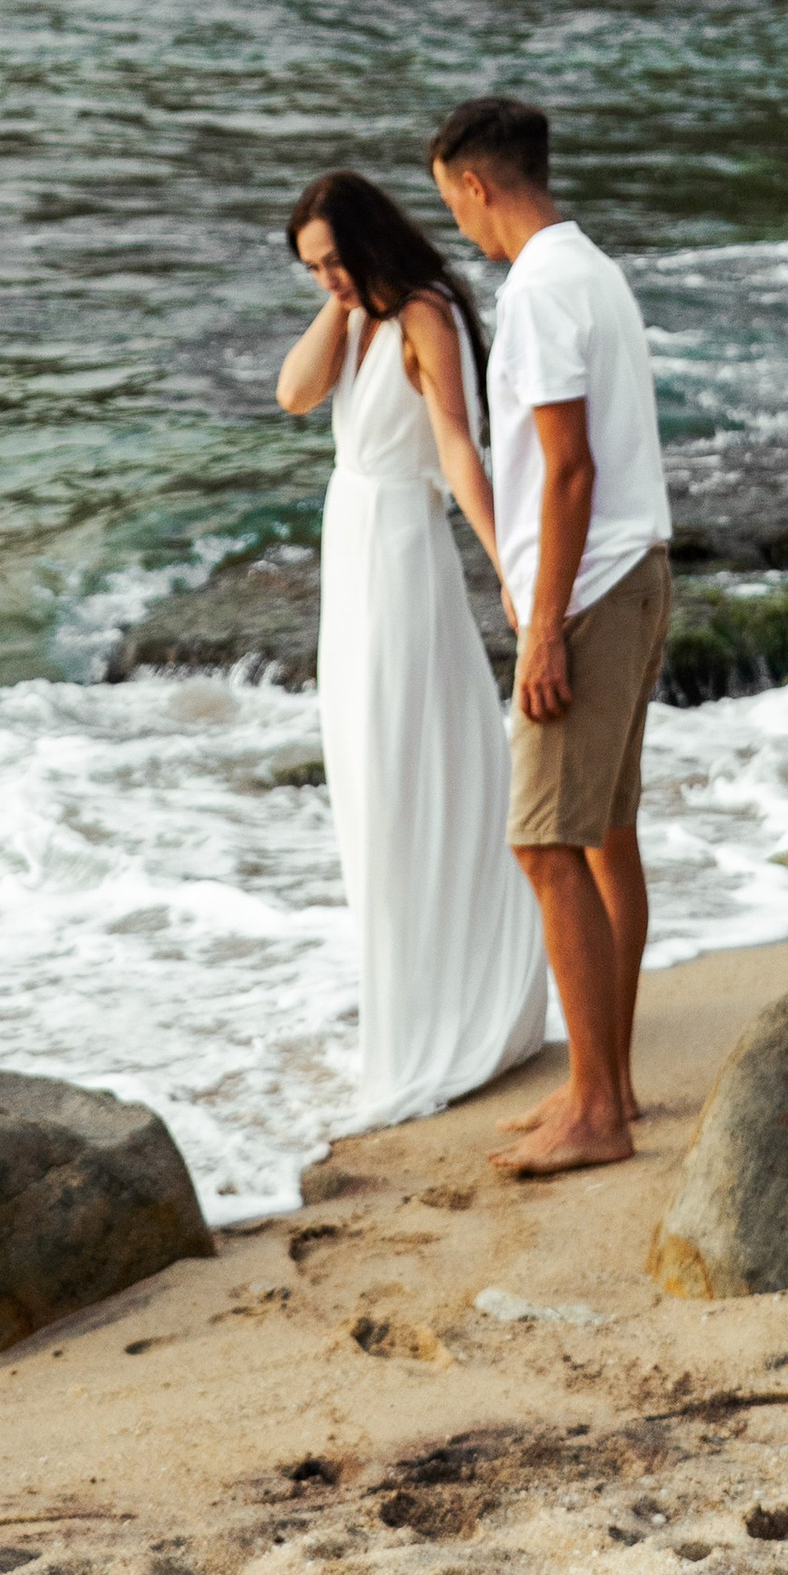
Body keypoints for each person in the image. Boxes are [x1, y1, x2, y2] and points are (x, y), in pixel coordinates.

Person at [430, 93, 672, 1180]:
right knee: (604, 833)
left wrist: (542, 628)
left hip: (590, 588)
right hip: (635, 571)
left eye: (454, 205)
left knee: (543, 841)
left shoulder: (534, 289)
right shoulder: (593, 268)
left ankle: (593, 1111)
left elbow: (566, 468)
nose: (459, 230)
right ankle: (606, 1085)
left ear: (476, 183)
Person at [276, 168, 548, 1135]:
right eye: (311, 270)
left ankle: (452, 1018)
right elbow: (293, 394)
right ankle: (408, 1011)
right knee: (363, 783)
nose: (325, 281)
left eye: (332, 261)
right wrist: (343, 306)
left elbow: (459, 450)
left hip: (400, 553)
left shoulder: (427, 315)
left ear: (369, 240)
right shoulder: (358, 318)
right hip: (351, 551)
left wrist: (512, 572)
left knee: (407, 775)